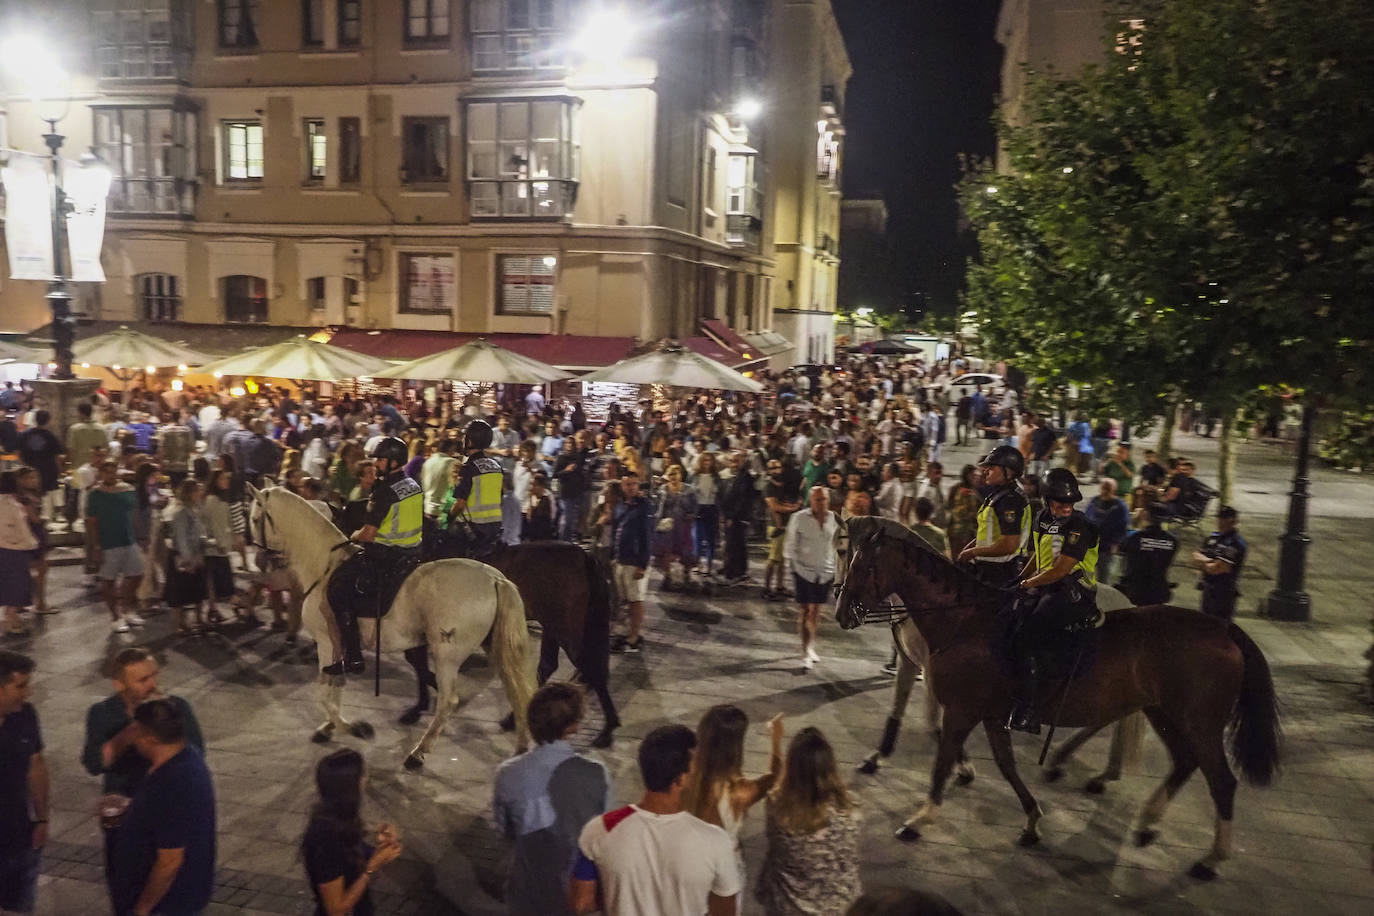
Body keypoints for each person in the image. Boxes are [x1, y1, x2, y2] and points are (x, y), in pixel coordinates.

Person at [570, 725, 741, 916]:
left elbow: (582, 903)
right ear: (680, 780)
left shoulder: (600, 829)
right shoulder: (715, 841)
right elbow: (725, 912)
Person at [81, 647, 205, 906]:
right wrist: (126, 737)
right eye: (142, 680)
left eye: (154, 676)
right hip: (123, 821)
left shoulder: (176, 708)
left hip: (165, 815)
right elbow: (94, 763)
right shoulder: (103, 713)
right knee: (124, 885)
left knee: (166, 882)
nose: (153, 685)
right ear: (119, 684)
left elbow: (195, 754)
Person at [493, 684, 612, 916]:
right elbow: (604, 837)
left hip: (527, 891)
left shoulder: (507, 773)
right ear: (574, 725)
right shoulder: (597, 773)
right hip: (576, 892)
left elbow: (504, 831)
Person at [1008, 468, 1101, 733]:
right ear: (1048, 501)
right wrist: (1017, 583)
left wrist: (1028, 584)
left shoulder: (1080, 526)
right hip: (1045, 585)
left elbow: (1061, 569)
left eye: (1070, 504)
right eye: (1061, 504)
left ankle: (1031, 710)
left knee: (1029, 632)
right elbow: (1037, 557)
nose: (1066, 509)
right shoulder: (1040, 519)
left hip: (1073, 591)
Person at [110, 698, 216, 916]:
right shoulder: (188, 756)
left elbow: (169, 861)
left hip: (167, 905)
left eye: (135, 731)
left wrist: (143, 909)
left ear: (149, 738)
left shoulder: (171, 783)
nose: (132, 737)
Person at [328, 436, 423, 675]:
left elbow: (369, 533)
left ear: (393, 462)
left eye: (381, 460)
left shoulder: (384, 491)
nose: (377, 464)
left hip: (386, 556)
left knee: (338, 589)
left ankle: (354, 656)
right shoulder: (412, 484)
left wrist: (353, 535)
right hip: (413, 553)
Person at [756, 727, 862, 916]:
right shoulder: (852, 809)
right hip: (840, 907)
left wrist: (775, 741)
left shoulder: (778, 808)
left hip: (787, 908)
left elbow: (776, 786)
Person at [685, 705, 783, 890]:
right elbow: (774, 776)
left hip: (687, 867)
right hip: (725, 871)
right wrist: (776, 738)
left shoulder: (682, 778)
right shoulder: (739, 792)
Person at [301, 748, 403, 916]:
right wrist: (372, 867)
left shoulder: (341, 817)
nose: (365, 780)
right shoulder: (326, 838)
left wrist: (380, 848)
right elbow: (335, 910)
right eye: (362, 776)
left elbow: (351, 857)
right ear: (350, 785)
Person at [0, 651, 46, 916]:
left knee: (20, 906)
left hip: (20, 834)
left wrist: (42, 818)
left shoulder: (25, 715)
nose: (27, 692)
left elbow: (36, 765)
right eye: (20, 686)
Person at [955, 446, 1031, 588]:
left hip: (1001, 572)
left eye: (991, 467)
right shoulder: (999, 494)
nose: (985, 471)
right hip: (989, 568)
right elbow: (989, 533)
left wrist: (972, 552)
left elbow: (1009, 544)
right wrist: (971, 547)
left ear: (1008, 471)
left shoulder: (1010, 500)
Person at [86, 459, 146, 633]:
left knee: (137, 574)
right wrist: (96, 546)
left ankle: (126, 609)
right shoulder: (95, 494)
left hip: (129, 539)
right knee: (108, 579)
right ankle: (115, 616)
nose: (110, 475)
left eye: (113, 471)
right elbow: (91, 522)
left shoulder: (127, 490)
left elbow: (134, 513)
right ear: (101, 473)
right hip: (108, 542)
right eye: (107, 471)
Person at [784, 486, 839, 670]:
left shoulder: (834, 520)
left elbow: (839, 545)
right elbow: (790, 545)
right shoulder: (799, 518)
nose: (821, 503)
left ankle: (811, 645)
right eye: (817, 499)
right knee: (805, 610)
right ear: (810, 500)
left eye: (823, 499)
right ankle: (805, 650)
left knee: (816, 610)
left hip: (825, 571)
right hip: (803, 570)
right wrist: (791, 568)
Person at [446, 420, 505, 558]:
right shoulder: (496, 466)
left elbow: (460, 504)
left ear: (470, 442)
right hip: (495, 529)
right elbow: (501, 496)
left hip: (473, 530)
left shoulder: (468, 468)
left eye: (464, 437)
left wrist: (448, 519)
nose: (462, 440)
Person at [610, 472, 651, 654]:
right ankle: (624, 633)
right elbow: (616, 529)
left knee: (635, 600)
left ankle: (634, 636)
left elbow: (647, 537)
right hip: (620, 558)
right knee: (624, 599)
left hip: (634, 561)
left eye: (635, 484)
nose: (632, 487)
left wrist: (643, 564)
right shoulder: (622, 505)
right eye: (628, 484)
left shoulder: (643, 507)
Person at [165, 479, 211, 636]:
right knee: (179, 593)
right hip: (184, 557)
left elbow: (199, 532)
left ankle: (199, 619)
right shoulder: (181, 513)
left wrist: (205, 542)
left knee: (198, 590)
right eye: (197, 491)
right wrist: (188, 559)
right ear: (190, 493)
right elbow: (181, 537)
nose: (201, 493)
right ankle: (179, 624)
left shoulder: (195, 510)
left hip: (196, 554)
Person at [1116, 504, 1179, 606]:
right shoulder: (1173, 540)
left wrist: (1135, 522)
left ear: (1146, 515)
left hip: (1137, 589)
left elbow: (1120, 549)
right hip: (1159, 589)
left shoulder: (1135, 537)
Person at [0, 473, 38, 636]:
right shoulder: (11, 505)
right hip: (14, 548)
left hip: (5, 548)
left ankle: (10, 616)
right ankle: (10, 616)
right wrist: (32, 545)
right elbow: (21, 528)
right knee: (17, 584)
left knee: (7, 582)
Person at [1193, 506, 1247, 621]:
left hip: (1223, 593)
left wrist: (1205, 562)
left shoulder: (1235, 543)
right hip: (1208, 589)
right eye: (1220, 518)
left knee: (1220, 627)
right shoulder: (1213, 538)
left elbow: (1218, 568)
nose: (1221, 522)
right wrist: (1209, 561)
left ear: (1233, 521)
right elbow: (1196, 556)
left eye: (1225, 519)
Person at [652, 464, 699, 591]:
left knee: (686, 551)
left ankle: (686, 574)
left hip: (684, 525)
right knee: (666, 551)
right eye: (671, 474)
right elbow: (658, 506)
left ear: (681, 475)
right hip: (668, 525)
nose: (673, 477)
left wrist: (692, 515)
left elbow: (694, 506)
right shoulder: (663, 488)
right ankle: (667, 576)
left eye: (676, 474)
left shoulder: (689, 489)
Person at [762, 460, 801, 601]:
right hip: (776, 526)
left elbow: (783, 503)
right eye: (772, 468)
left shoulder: (781, 485)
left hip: (786, 525)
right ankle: (766, 588)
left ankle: (779, 586)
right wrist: (794, 508)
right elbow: (775, 507)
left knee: (782, 559)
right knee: (773, 558)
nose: (776, 470)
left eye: (778, 467)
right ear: (768, 470)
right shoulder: (769, 487)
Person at [15, 410, 62, 522]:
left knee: (29, 495)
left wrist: (23, 466)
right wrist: (59, 470)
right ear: (48, 420)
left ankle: (31, 519)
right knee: (45, 496)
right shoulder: (50, 436)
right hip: (48, 470)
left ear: (35, 419)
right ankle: (46, 519)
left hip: (29, 470)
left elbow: (17, 452)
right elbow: (57, 456)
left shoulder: (24, 434)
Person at [1083, 478, 1130, 585]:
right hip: (1091, 546)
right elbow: (1086, 519)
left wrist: (1116, 543)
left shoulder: (1119, 506)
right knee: (1086, 576)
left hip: (1106, 548)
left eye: (1108, 488)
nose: (1105, 491)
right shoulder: (1094, 501)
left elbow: (1123, 527)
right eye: (1103, 487)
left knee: (1104, 578)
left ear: (1114, 489)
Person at [718, 451, 755, 584]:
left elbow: (742, 500)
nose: (733, 464)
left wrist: (732, 517)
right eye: (732, 461)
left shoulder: (745, 477)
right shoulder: (734, 476)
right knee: (731, 543)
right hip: (731, 515)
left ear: (742, 461)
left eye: (736, 461)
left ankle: (735, 572)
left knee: (735, 544)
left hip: (738, 518)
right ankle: (731, 568)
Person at [419, 437, 459, 551]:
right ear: (451, 448)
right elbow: (456, 486)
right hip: (443, 512)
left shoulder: (428, 462)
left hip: (427, 509)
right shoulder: (451, 462)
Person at [554, 436, 590, 543]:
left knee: (574, 519)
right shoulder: (561, 458)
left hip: (577, 492)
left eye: (572, 443)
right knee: (567, 518)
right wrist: (566, 470)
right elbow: (555, 474)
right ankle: (562, 541)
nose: (570, 445)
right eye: (567, 443)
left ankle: (569, 541)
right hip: (565, 493)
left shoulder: (578, 457)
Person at [156, 412, 194, 487]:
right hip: (183, 467)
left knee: (168, 487)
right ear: (180, 417)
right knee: (181, 487)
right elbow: (191, 448)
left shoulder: (165, 430)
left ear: (171, 418)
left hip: (168, 466)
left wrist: (160, 465)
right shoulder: (187, 430)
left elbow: (161, 449)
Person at [915, 461, 947, 528]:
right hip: (930, 526)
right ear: (929, 474)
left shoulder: (938, 485)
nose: (939, 476)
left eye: (940, 473)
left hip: (940, 524)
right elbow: (920, 511)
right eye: (936, 473)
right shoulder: (924, 490)